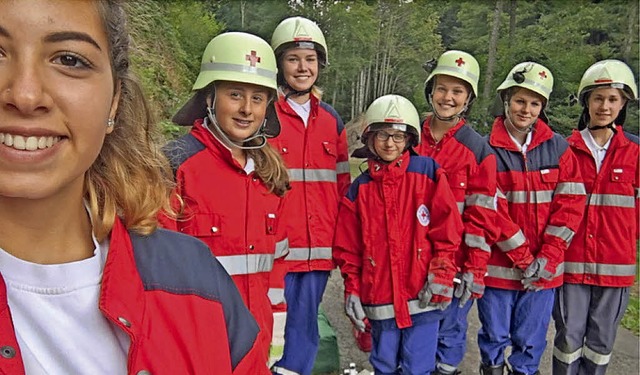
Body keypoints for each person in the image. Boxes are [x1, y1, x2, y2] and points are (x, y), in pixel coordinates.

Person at [0, 0, 260, 374]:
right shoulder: (184, 162)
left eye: (69, 60)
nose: (24, 95)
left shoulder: (196, 282)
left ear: (115, 101)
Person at [161, 31, 291, 374]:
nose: (247, 109)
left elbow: (277, 259)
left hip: (256, 343)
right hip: (198, 344)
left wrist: (275, 325)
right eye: (235, 95)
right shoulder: (176, 166)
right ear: (209, 98)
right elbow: (155, 270)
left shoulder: (270, 176)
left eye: (258, 98)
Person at [334, 94, 464, 374]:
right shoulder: (359, 189)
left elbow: (447, 228)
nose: (390, 143)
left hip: (424, 297)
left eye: (398, 136)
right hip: (380, 300)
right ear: (369, 138)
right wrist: (352, 289)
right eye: (382, 135)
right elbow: (348, 247)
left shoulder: (427, 173)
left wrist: (442, 273)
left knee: (419, 367)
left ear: (409, 140)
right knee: (384, 366)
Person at [477, 62, 587, 375]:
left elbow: (570, 206)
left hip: (544, 272)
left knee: (530, 340)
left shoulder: (560, 149)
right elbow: (491, 209)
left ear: (543, 107)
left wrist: (548, 257)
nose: (526, 110)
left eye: (534, 103)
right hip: (499, 269)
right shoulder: (486, 150)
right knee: (494, 337)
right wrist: (525, 258)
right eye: (520, 101)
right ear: (506, 101)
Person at [268, 16, 350, 375]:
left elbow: (343, 189)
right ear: (279, 64)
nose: (303, 67)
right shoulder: (263, 115)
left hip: (319, 252)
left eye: (310, 59)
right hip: (275, 252)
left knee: (304, 331)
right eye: (293, 58)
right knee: (269, 331)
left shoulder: (332, 121)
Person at [415, 50, 500, 375]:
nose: (447, 98)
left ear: (468, 99)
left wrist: (475, 268)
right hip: (409, 257)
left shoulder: (478, 151)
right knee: (412, 332)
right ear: (431, 90)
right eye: (442, 88)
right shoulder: (407, 137)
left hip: (454, 263)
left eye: (457, 91)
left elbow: (481, 217)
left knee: (449, 333)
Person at [553, 59, 639, 375]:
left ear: (623, 103)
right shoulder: (564, 149)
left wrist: (624, 236)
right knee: (568, 338)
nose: (604, 106)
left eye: (613, 99)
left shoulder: (635, 151)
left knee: (601, 343)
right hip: (571, 264)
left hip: (616, 267)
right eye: (598, 98)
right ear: (586, 101)